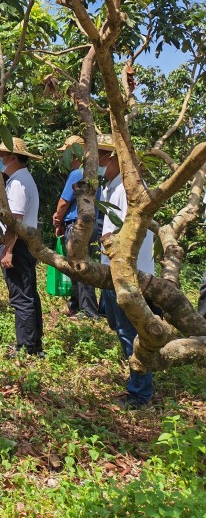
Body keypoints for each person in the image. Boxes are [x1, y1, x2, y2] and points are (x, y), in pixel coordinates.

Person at [97, 134, 155, 408]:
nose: (96, 162)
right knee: (119, 325)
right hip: (116, 270)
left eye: (100, 156)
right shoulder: (112, 186)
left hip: (129, 274)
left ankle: (140, 393)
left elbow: (124, 233)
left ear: (114, 158)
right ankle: (139, 381)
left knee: (129, 331)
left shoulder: (129, 189)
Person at [0, 138, 44, 357]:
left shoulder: (17, 183)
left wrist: (8, 249)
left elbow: (15, 220)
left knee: (21, 297)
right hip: (24, 243)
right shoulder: (22, 179)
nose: (0, 160)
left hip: (19, 245)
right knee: (29, 293)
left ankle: (26, 347)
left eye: (3, 156)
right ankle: (34, 344)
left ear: (13, 158)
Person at [52, 134, 99, 318]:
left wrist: (57, 220)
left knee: (80, 267)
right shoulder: (94, 173)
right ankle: (78, 306)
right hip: (91, 225)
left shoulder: (77, 173)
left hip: (77, 226)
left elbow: (63, 203)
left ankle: (87, 311)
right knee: (79, 266)